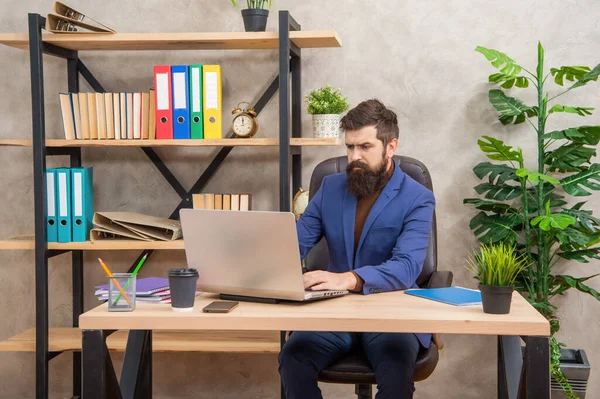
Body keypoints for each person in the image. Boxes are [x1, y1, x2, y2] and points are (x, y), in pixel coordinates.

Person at [278, 99, 435, 399]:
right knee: (292, 359)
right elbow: (294, 244)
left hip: (392, 313)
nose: (354, 157)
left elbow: (407, 266)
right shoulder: (330, 188)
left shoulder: (418, 197)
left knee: (395, 373)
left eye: (365, 147)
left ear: (391, 146)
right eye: (349, 147)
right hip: (334, 312)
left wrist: (348, 278)